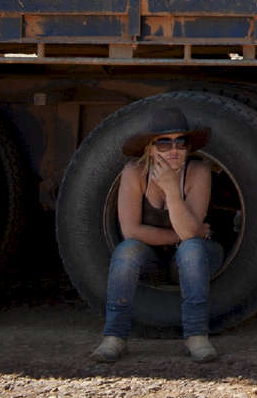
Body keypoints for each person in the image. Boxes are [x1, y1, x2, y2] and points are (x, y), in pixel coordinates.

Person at [90, 107, 221, 363]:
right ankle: (114, 337)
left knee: (192, 249)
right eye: (163, 142)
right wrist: (183, 235)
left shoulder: (198, 172)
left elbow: (190, 236)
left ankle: (196, 336)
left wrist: (172, 190)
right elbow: (131, 231)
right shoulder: (134, 172)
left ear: (188, 147)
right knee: (127, 251)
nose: (173, 149)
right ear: (150, 148)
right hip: (151, 259)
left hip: (195, 259)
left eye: (180, 142)